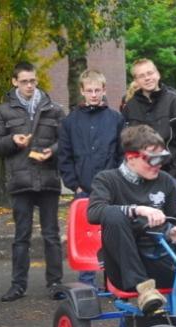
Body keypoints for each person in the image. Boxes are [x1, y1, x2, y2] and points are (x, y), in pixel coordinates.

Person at [88, 125, 176, 320]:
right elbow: (94, 212)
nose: (158, 165)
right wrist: (137, 210)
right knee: (112, 215)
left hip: (162, 259)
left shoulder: (165, 181)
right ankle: (144, 290)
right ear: (131, 158)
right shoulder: (107, 180)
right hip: (125, 269)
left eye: (162, 159)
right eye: (153, 160)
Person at [0, 62, 65, 302]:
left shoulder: (54, 109)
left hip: (48, 179)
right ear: (14, 82)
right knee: (21, 236)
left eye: (32, 81)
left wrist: (52, 151)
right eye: (24, 81)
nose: (29, 86)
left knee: (51, 234)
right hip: (20, 181)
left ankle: (55, 283)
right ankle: (17, 286)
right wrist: (14, 140)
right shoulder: (2, 111)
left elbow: (65, 141)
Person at [58, 69, 124, 287]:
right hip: (84, 187)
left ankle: (112, 281)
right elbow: (65, 156)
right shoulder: (70, 122)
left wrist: (117, 179)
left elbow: (121, 153)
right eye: (89, 91)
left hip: (110, 187)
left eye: (97, 90)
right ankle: (87, 282)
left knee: (111, 233)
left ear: (104, 90)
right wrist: (73, 184)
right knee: (85, 234)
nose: (94, 94)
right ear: (82, 92)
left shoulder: (115, 118)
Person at [121, 58, 176, 203]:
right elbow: (126, 144)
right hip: (140, 179)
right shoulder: (130, 108)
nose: (147, 78)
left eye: (150, 73)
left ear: (157, 74)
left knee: (175, 221)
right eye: (141, 75)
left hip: (172, 177)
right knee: (145, 222)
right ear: (136, 81)